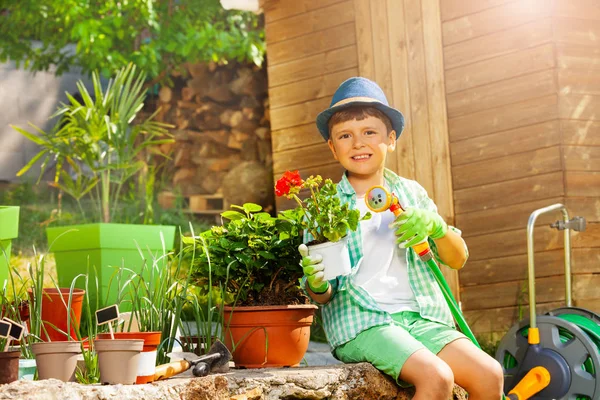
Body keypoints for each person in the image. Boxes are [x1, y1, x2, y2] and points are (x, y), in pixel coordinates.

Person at [299, 77, 504, 400]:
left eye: (370, 132)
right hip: (364, 323)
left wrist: (436, 227)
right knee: (437, 377)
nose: (358, 143)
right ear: (332, 146)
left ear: (390, 139)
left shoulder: (411, 193)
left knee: (490, 374)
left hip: (422, 319)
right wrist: (317, 283)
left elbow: (457, 258)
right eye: (345, 136)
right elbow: (322, 295)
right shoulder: (324, 209)